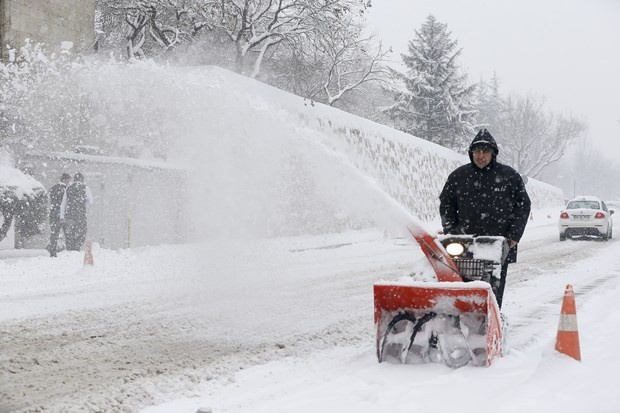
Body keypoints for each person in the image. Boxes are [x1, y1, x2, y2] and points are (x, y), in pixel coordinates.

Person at [439, 129, 531, 308]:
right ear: (471, 153)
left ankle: (491, 323)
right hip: (465, 244)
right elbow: (446, 205)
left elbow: (523, 206)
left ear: (493, 153)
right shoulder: (459, 176)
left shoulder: (509, 177)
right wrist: (451, 232)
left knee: (493, 287)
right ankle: (464, 321)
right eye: (477, 151)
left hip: (498, 244)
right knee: (462, 286)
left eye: (485, 151)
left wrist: (513, 236)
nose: (480, 156)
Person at [60, 172, 93, 251]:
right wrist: (83, 202)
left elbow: (64, 203)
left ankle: (70, 249)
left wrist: (62, 216)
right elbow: (91, 200)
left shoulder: (68, 188)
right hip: (80, 215)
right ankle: (76, 248)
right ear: (82, 179)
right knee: (81, 232)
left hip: (69, 215)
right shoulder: (85, 188)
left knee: (69, 233)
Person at [48, 173, 72, 257]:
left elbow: (49, 202)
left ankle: (53, 253)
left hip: (53, 214)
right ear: (66, 179)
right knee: (68, 234)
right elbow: (67, 203)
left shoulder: (52, 188)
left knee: (54, 234)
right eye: (69, 180)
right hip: (64, 215)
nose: (69, 182)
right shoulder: (67, 189)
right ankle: (70, 252)